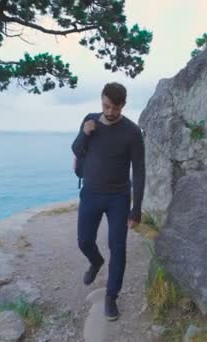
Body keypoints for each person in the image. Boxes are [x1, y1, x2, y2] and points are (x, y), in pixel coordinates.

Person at [71, 82, 145, 321]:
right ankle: (95, 261)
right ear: (101, 100)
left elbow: (140, 171)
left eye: (115, 107)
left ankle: (111, 297)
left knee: (119, 247)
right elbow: (76, 148)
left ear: (123, 105)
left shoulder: (132, 132)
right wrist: (85, 132)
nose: (110, 111)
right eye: (106, 106)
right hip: (91, 193)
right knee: (84, 241)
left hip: (118, 198)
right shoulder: (90, 120)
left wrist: (136, 208)